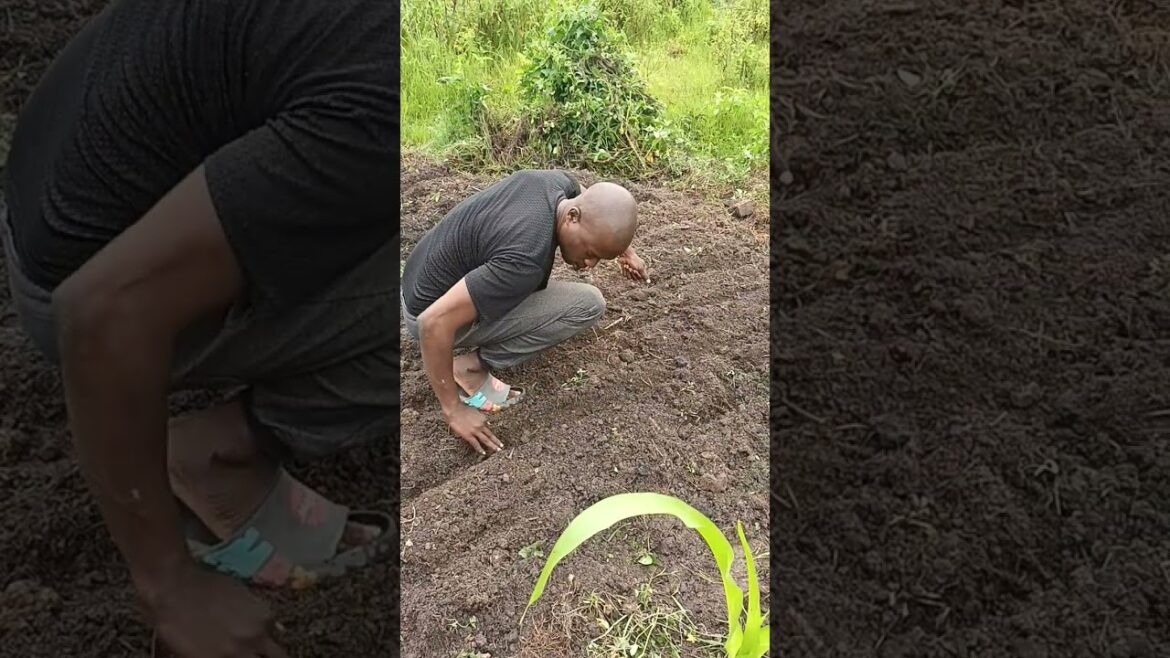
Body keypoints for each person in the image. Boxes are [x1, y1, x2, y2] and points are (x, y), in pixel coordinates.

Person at [1, 1, 398, 656]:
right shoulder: (382, 84)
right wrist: (169, 587)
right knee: (455, 305)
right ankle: (220, 452)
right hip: (80, 277)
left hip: (56, 173)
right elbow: (100, 312)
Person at [400, 170, 647, 456]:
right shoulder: (525, 259)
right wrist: (453, 410)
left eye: (600, 258)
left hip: (418, 278)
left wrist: (621, 249)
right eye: (591, 251)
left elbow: (587, 194)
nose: (590, 263)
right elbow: (434, 322)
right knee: (588, 304)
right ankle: (468, 367)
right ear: (573, 217)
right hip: (426, 315)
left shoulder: (554, 185)